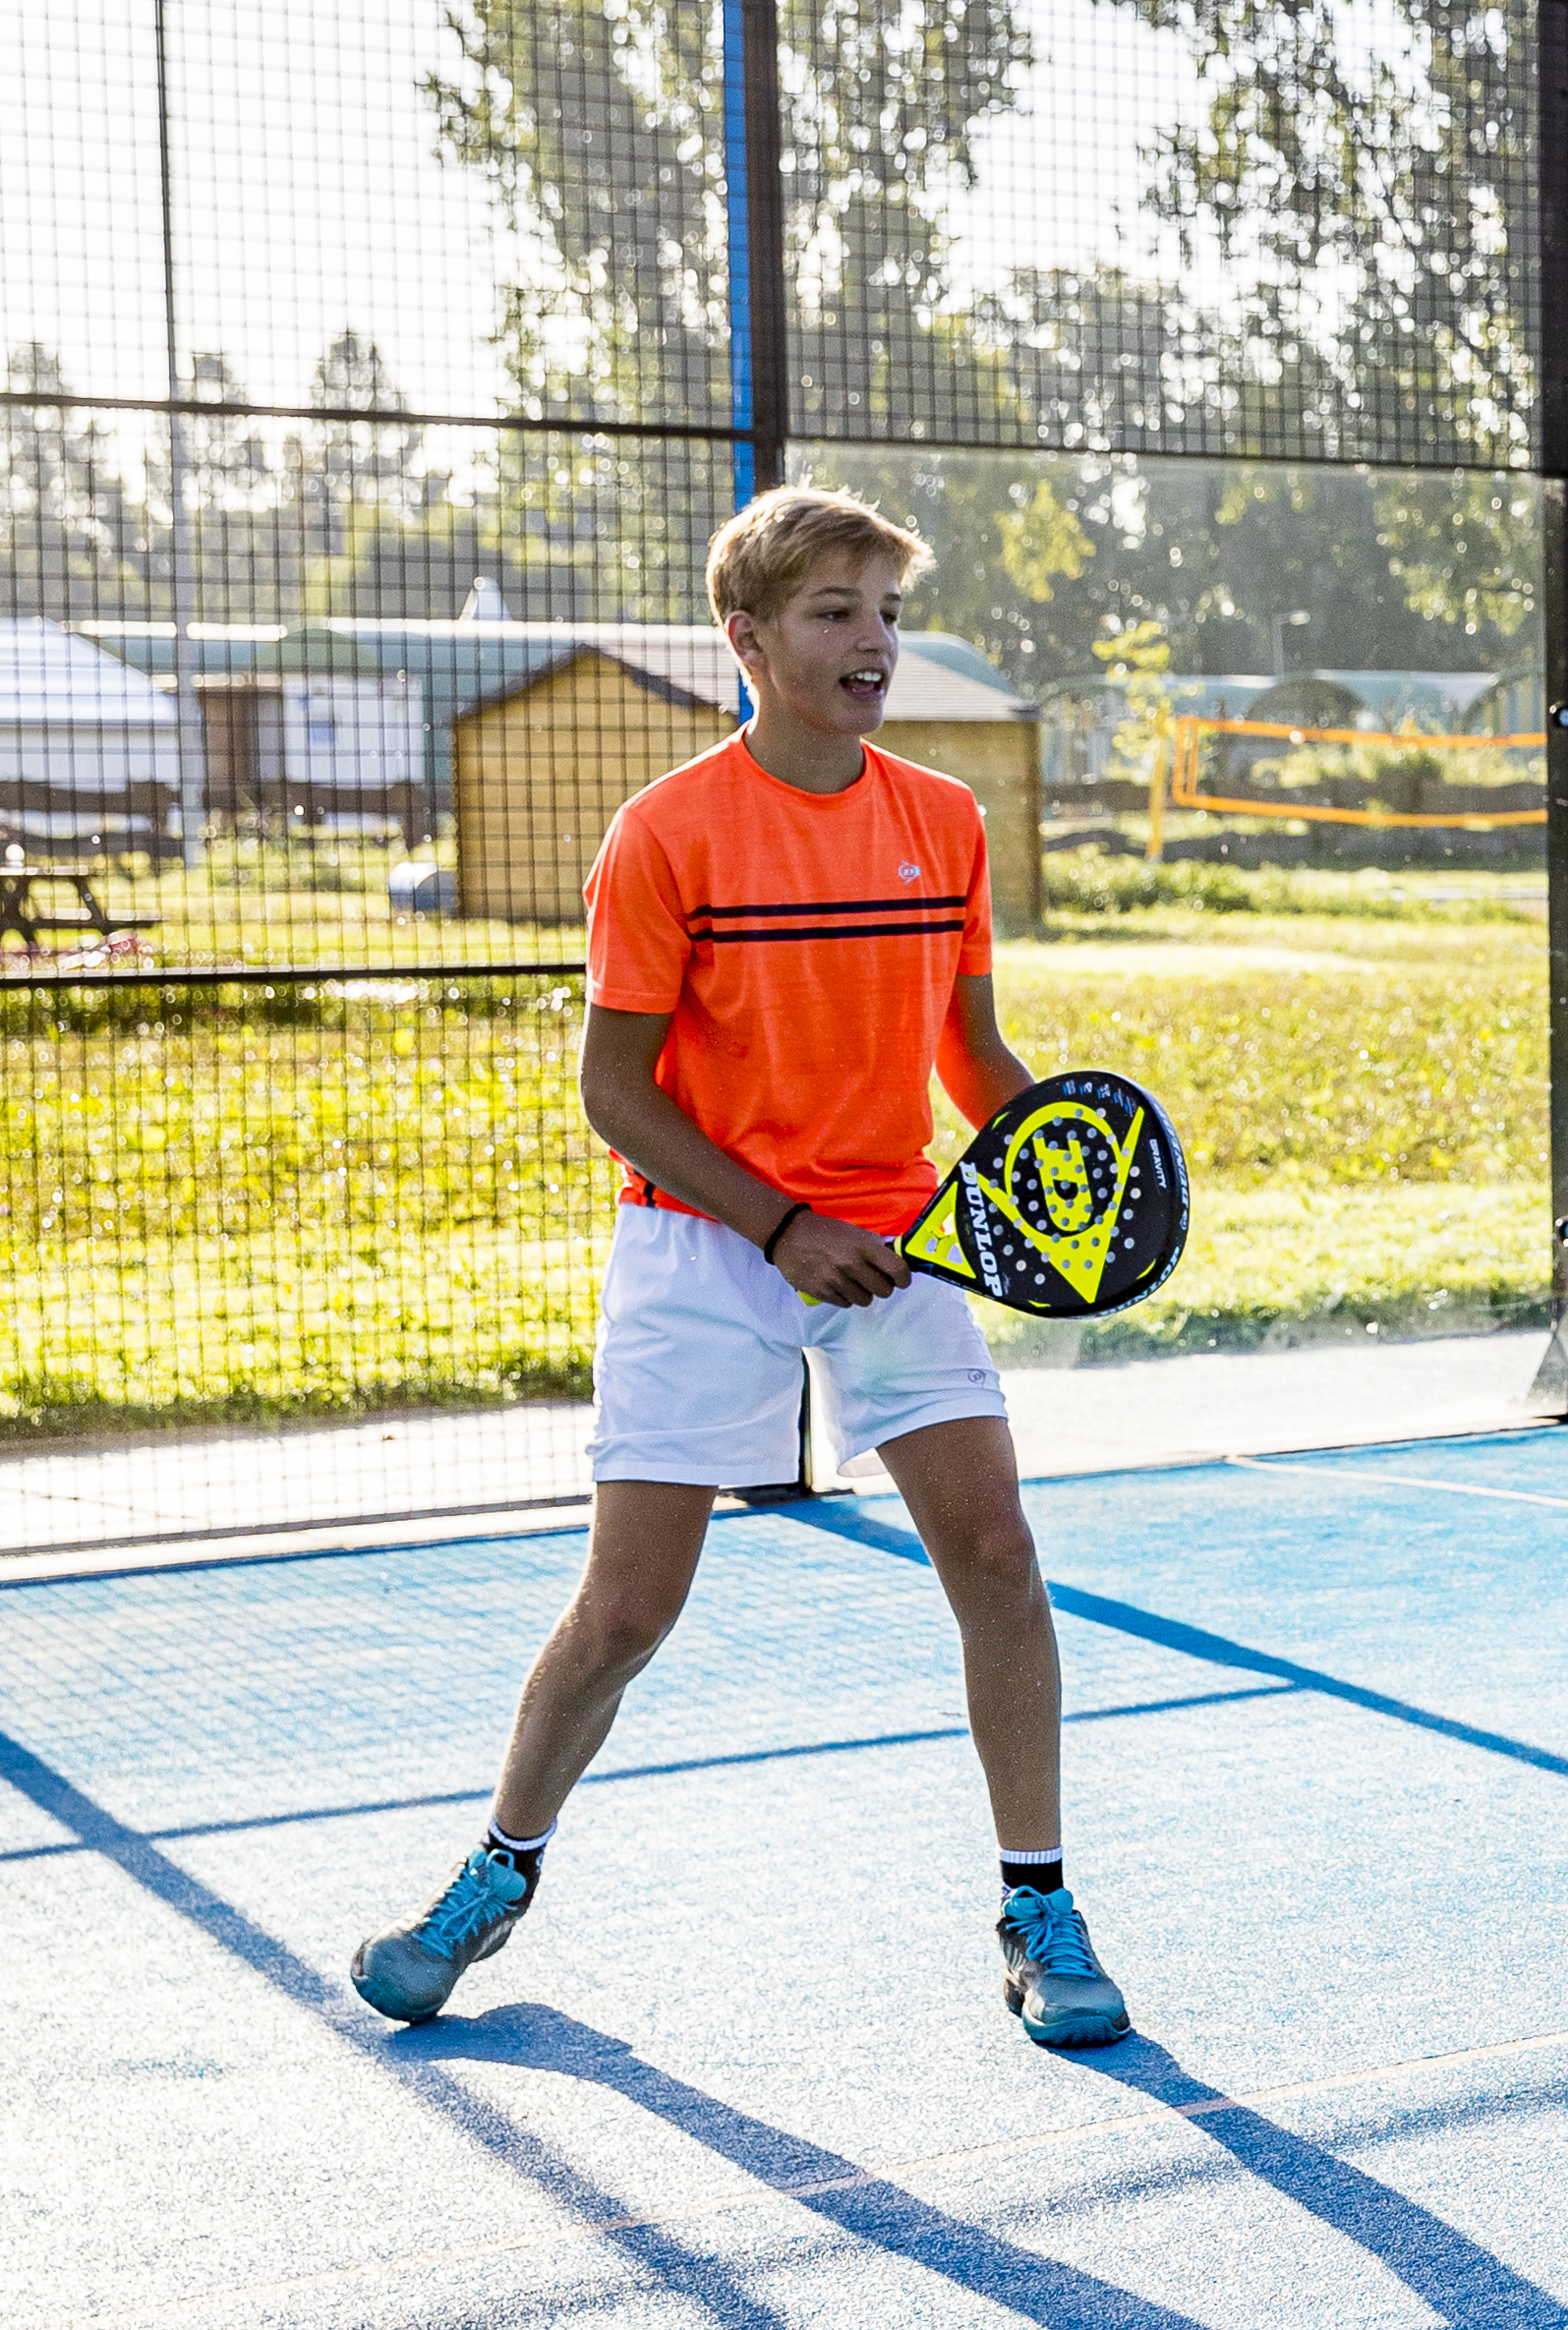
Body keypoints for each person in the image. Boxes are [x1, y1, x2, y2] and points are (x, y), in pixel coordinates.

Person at [351, 488, 1130, 2050]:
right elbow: (616, 1090)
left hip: (895, 1238)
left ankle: (1039, 1907)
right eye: (837, 611)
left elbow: (969, 1055)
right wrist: (779, 1226)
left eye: (887, 611)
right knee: (629, 1610)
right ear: (748, 636)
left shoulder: (944, 821)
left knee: (997, 1552)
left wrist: (1061, 1167)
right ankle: (499, 1867)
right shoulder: (665, 832)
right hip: (702, 1242)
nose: (873, 641)